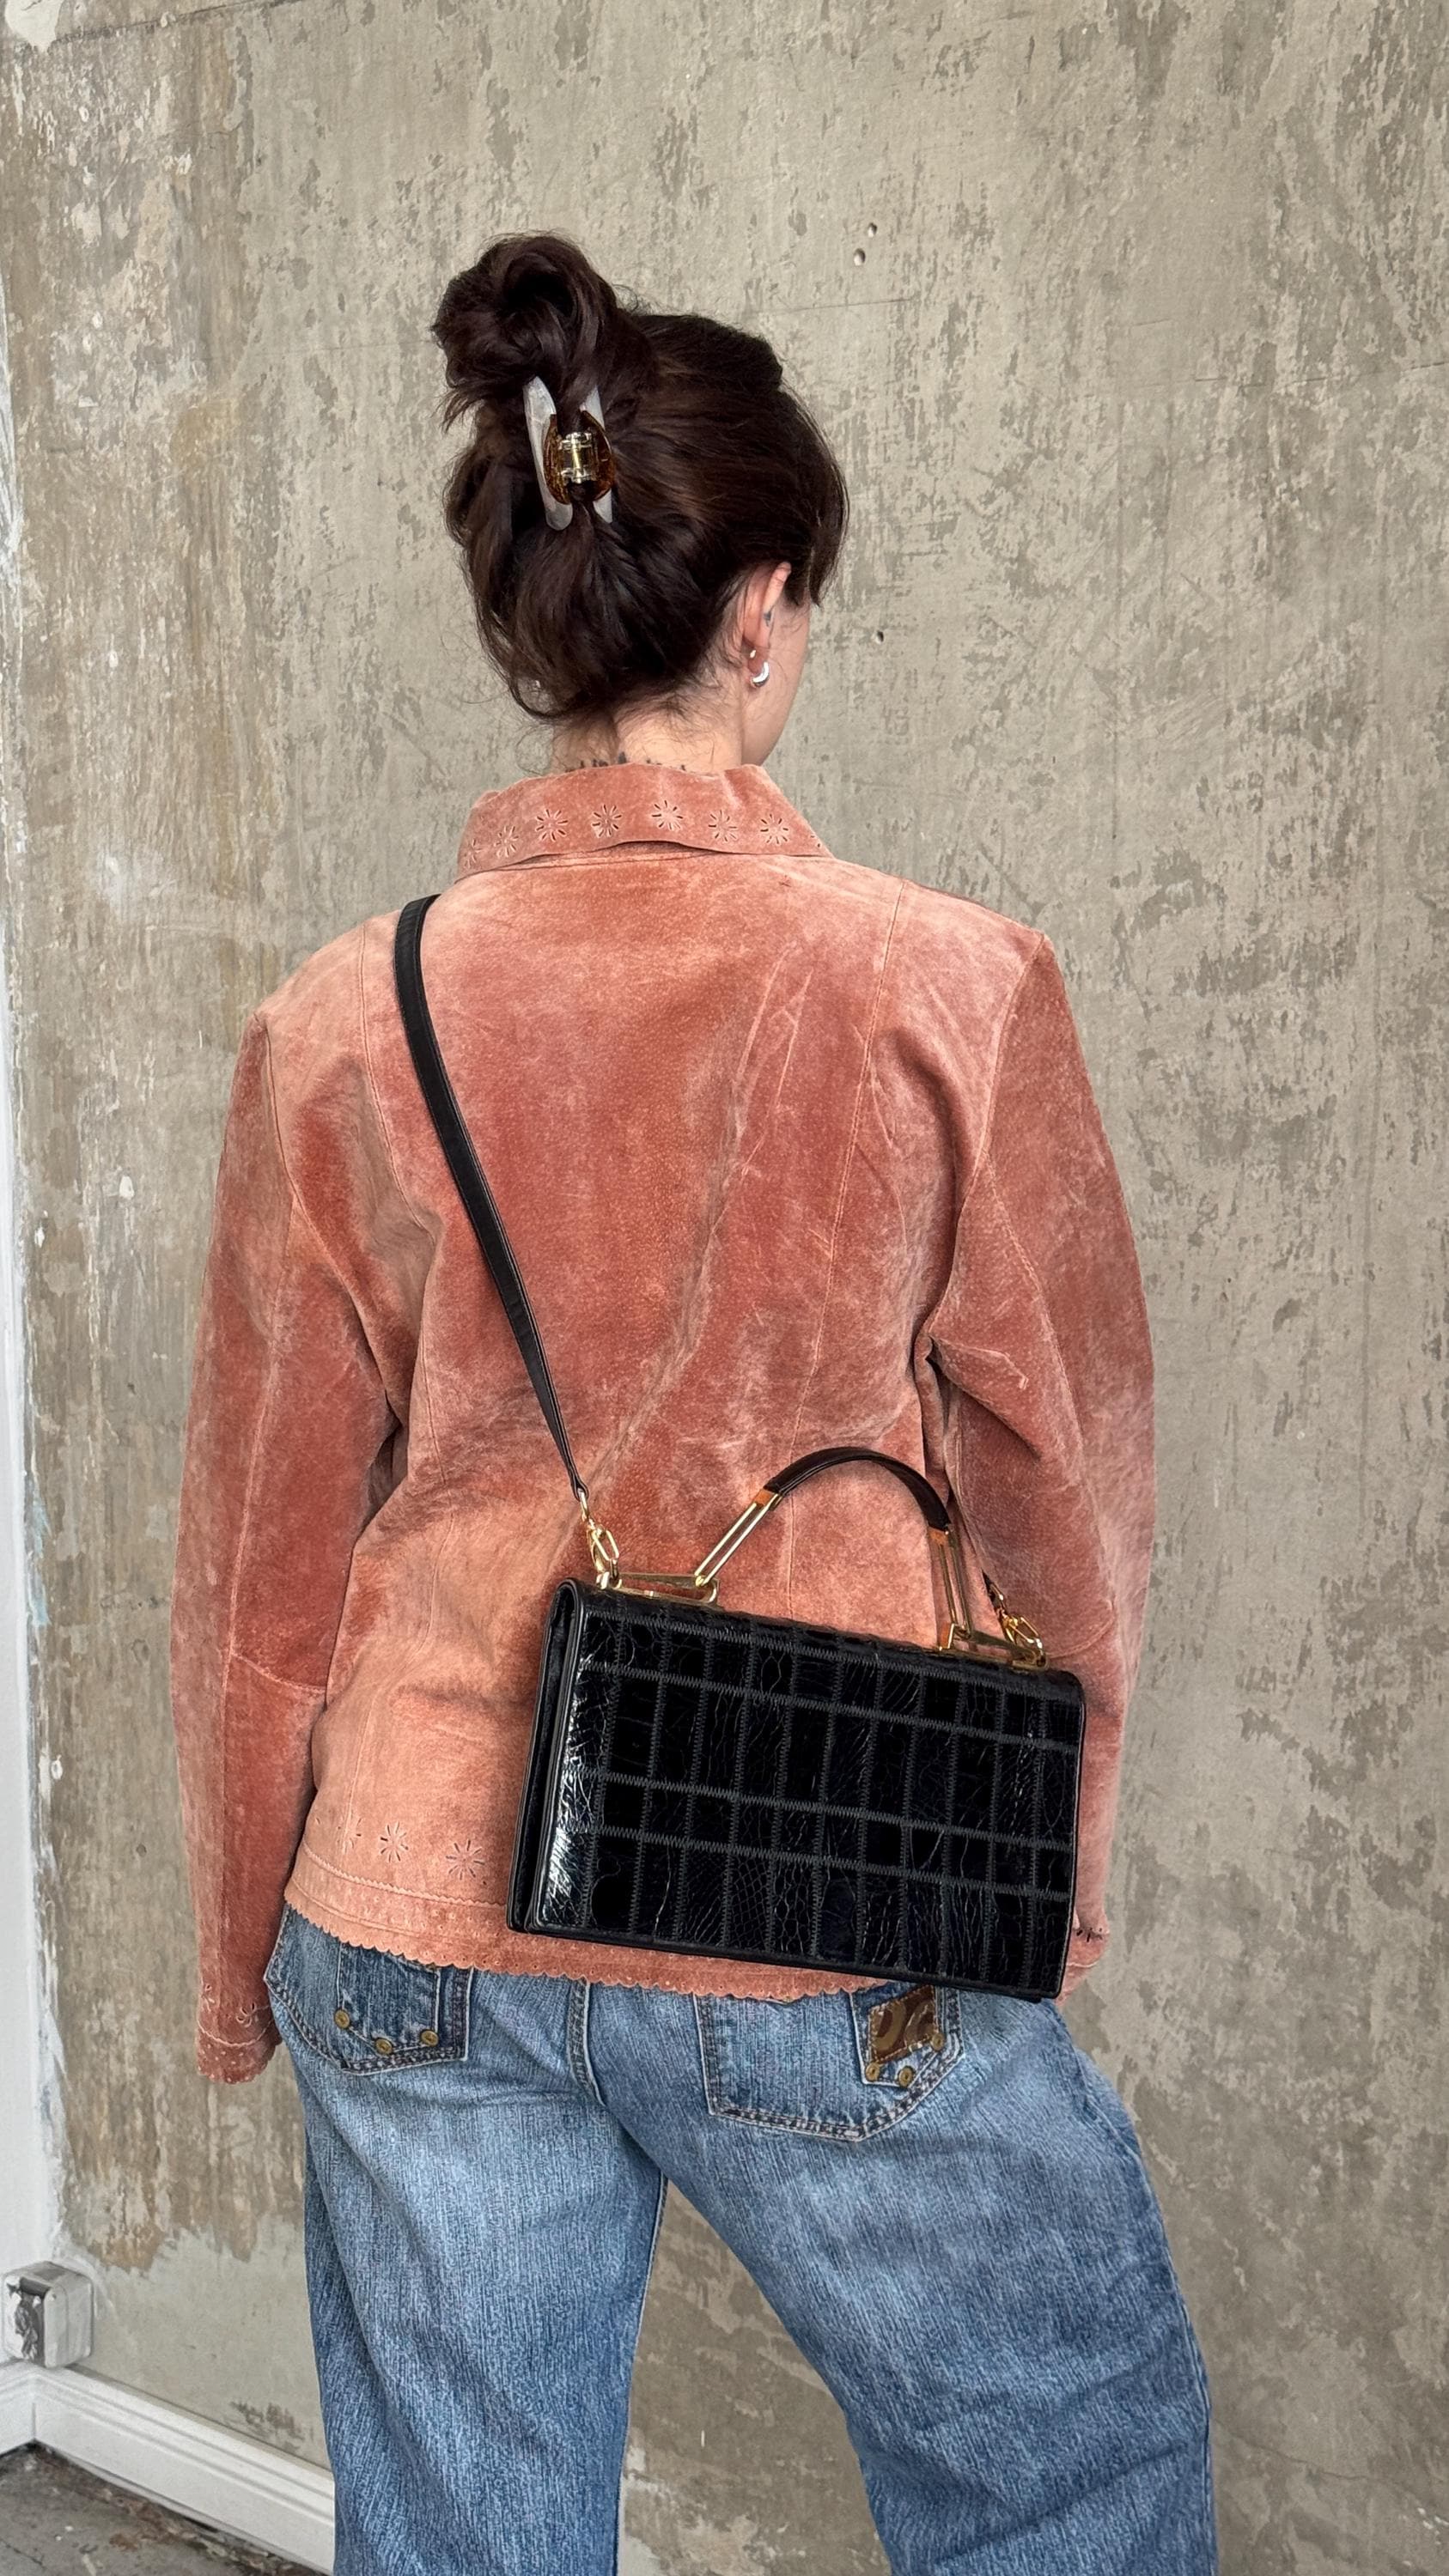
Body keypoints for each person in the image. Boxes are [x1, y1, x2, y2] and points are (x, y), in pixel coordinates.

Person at [169, 232, 1216, 2576]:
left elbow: (256, 1566)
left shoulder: (338, 1026)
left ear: (529, 623)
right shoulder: (952, 991)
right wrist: (1047, 1882)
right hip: (827, 1879)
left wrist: (247, 1949)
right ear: (760, 612)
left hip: (419, 1910)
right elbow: (1071, 1497)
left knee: (462, 2541)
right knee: (1061, 2486)